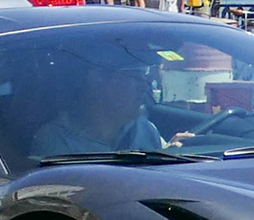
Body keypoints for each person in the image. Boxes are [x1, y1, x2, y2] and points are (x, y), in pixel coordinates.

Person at [29, 64, 167, 161]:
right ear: (97, 79)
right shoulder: (57, 141)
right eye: (135, 76)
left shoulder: (146, 129)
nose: (145, 87)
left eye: (145, 76)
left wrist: (170, 153)